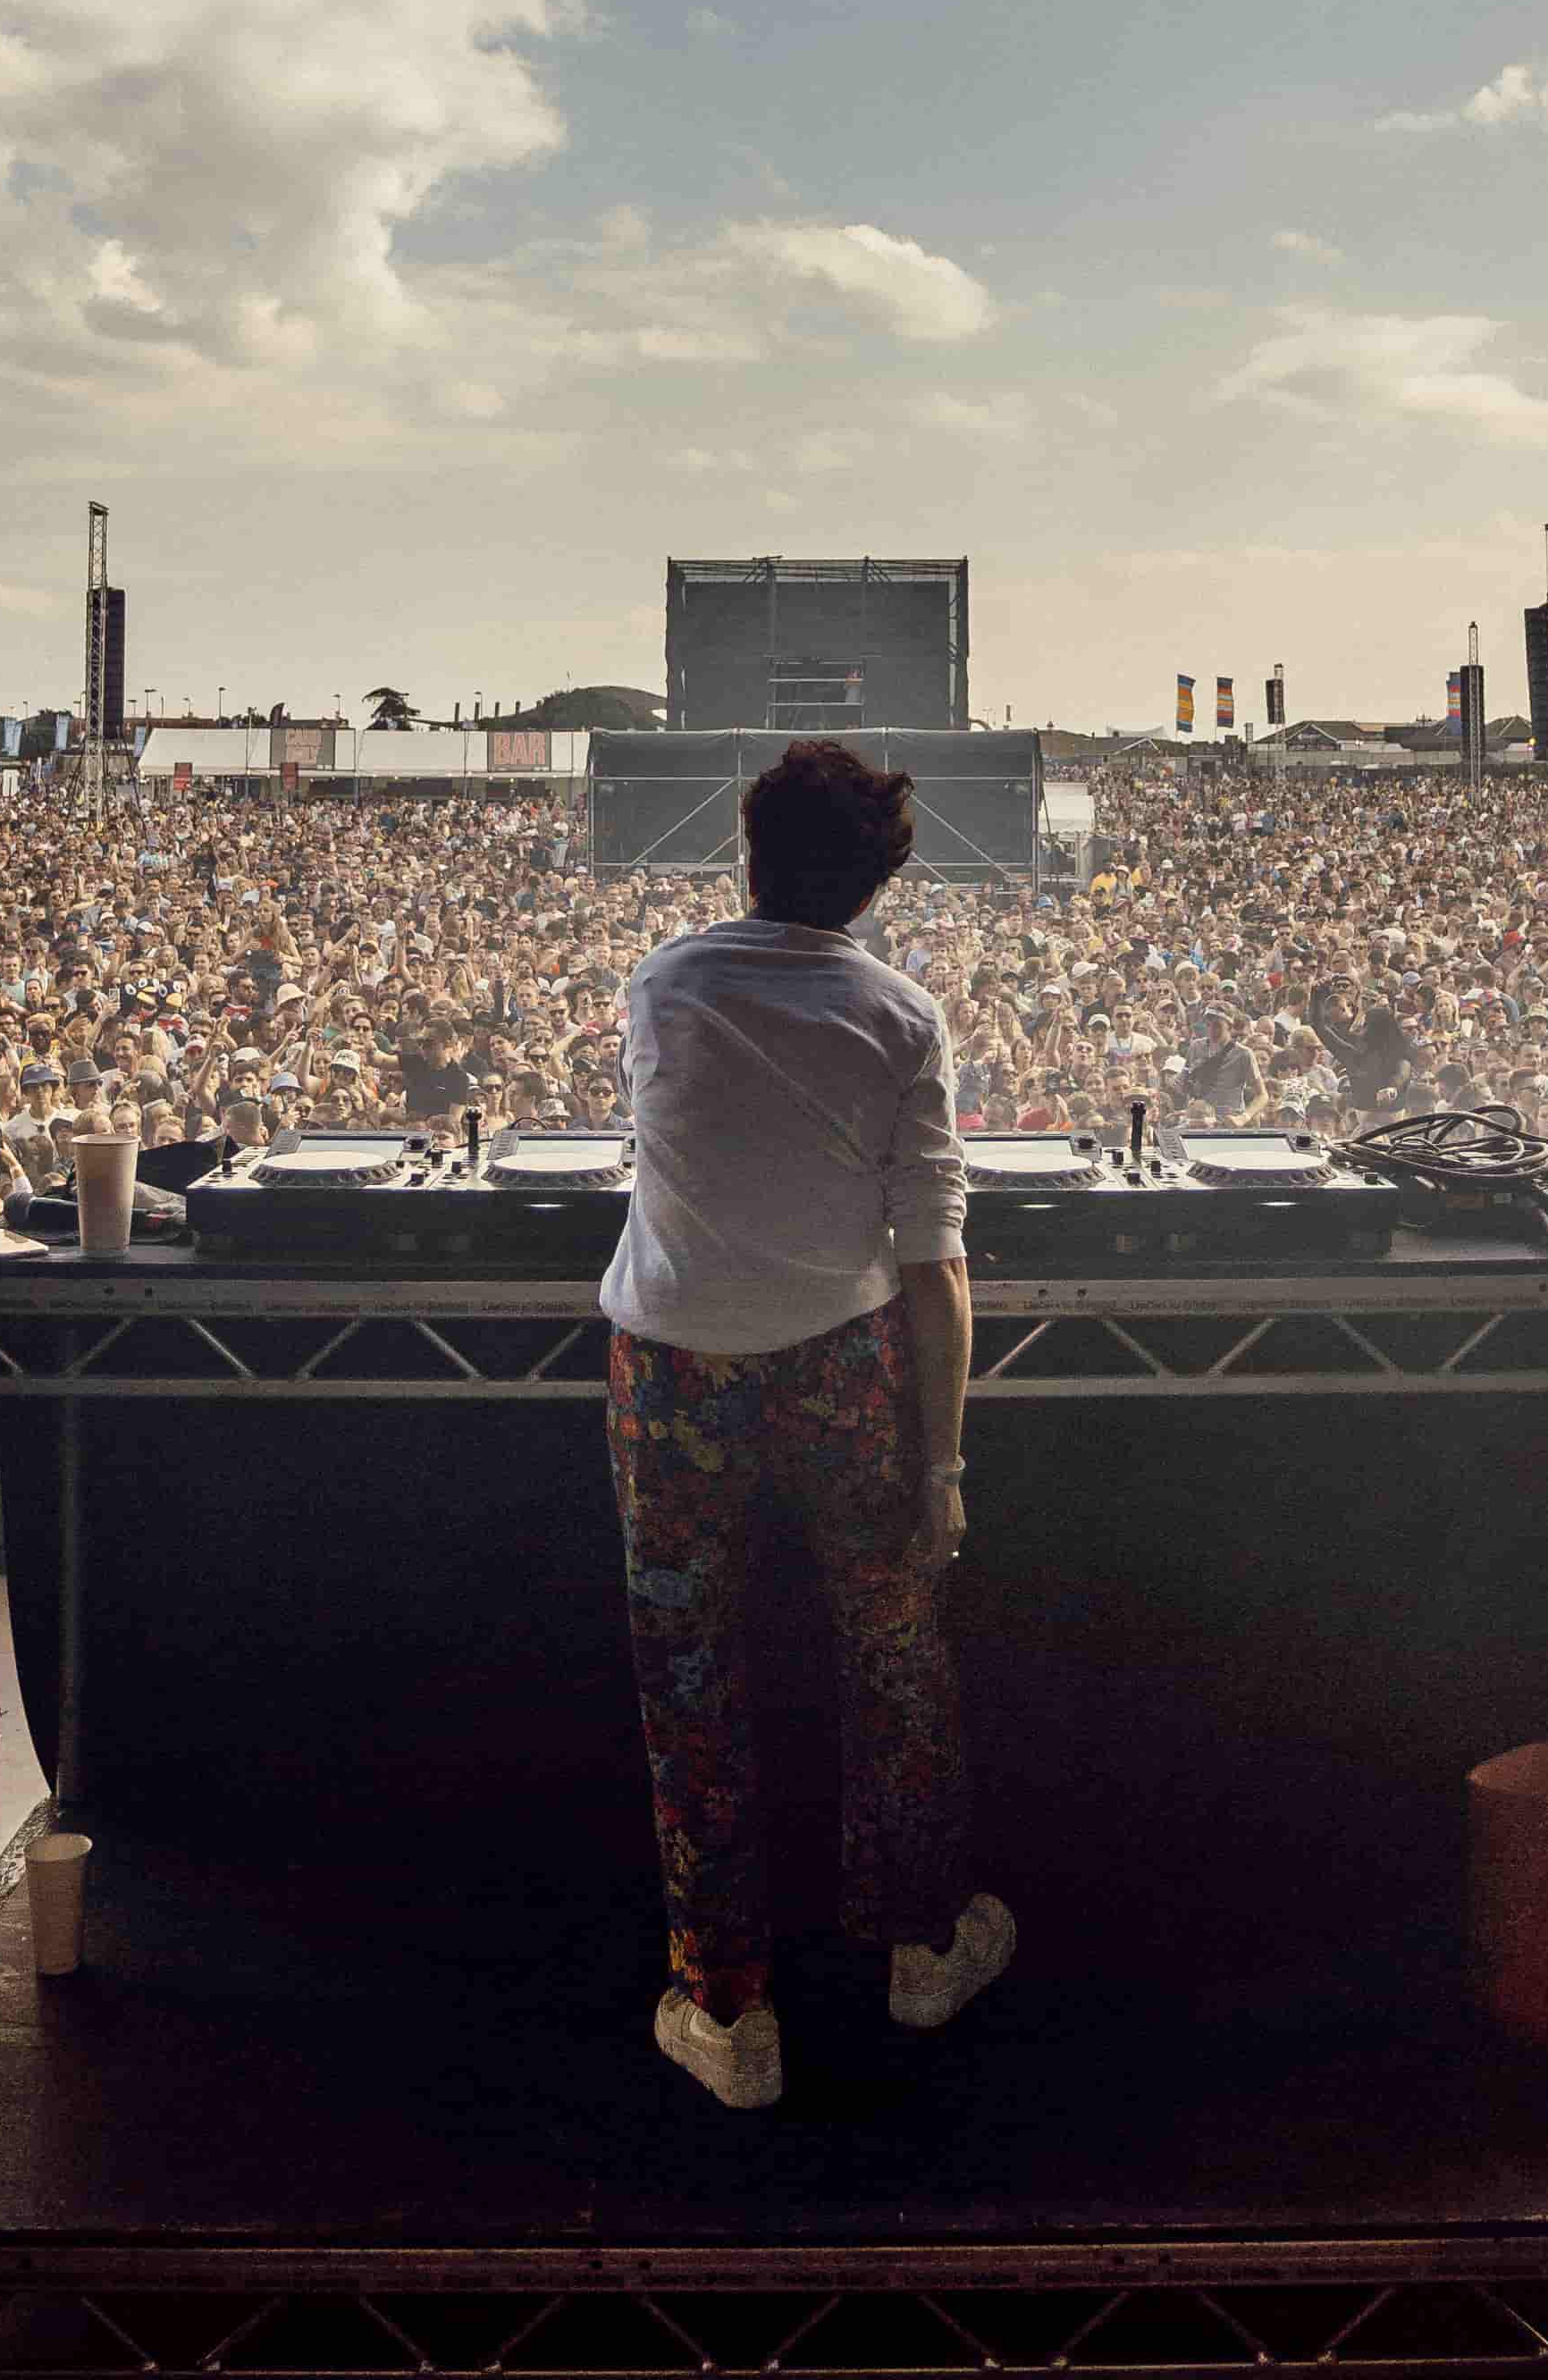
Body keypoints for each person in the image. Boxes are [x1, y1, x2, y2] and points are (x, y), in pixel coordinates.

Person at [595, 737, 1002, 2113]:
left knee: (688, 1675)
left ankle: (726, 2008)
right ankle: (925, 1947)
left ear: (747, 848)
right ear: (879, 882)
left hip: (672, 1373)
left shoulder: (662, 985)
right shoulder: (902, 1017)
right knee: (893, 1650)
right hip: (845, 1365)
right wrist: (941, 1467)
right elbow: (935, 1261)